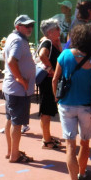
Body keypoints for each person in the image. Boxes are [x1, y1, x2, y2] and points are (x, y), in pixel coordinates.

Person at [53, 23, 91, 180]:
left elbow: (55, 79)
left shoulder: (64, 55)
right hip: (87, 106)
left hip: (67, 105)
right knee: (85, 143)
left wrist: (56, 98)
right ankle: (81, 173)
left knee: (70, 145)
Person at [2, 14, 37, 164]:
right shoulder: (17, 40)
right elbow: (11, 61)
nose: (30, 28)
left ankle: (11, 151)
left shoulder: (13, 38)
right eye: (26, 26)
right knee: (16, 123)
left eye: (31, 25)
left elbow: (5, 56)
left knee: (10, 120)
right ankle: (14, 155)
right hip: (18, 90)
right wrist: (20, 79)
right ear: (18, 27)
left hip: (12, 88)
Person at [36, 18, 63, 150]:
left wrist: (58, 43)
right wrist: (51, 69)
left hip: (51, 82)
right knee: (46, 110)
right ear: (51, 31)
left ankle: (47, 137)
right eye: (57, 28)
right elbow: (42, 55)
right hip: (47, 82)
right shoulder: (47, 42)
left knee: (49, 109)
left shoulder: (53, 42)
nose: (60, 30)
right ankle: (46, 140)